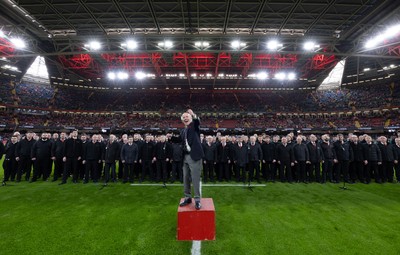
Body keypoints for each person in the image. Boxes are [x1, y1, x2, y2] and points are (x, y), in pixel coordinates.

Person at [179, 109, 204, 210]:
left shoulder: (194, 126)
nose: (185, 118)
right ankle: (187, 197)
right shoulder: (183, 130)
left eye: (187, 117)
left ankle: (197, 200)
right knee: (185, 177)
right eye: (184, 117)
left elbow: (197, 122)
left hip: (194, 156)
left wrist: (193, 115)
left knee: (195, 178)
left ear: (190, 118)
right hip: (185, 157)